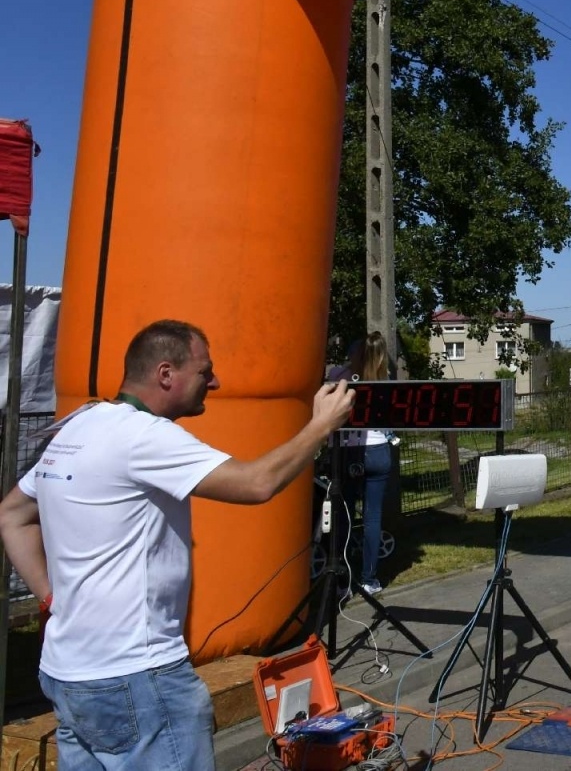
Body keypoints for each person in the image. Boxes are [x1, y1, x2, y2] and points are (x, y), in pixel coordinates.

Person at [0, 320, 354, 771]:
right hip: (137, 676)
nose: (216, 381)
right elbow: (257, 483)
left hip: (67, 674)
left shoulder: (78, 426)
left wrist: (51, 597)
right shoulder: (144, 436)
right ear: (166, 374)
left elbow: (12, 515)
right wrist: (320, 426)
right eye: (205, 371)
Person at [328, 331, 399, 595]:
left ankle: (341, 581)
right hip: (378, 450)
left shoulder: (339, 377)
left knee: (343, 516)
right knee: (372, 518)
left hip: (348, 451)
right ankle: (369, 579)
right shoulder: (386, 381)